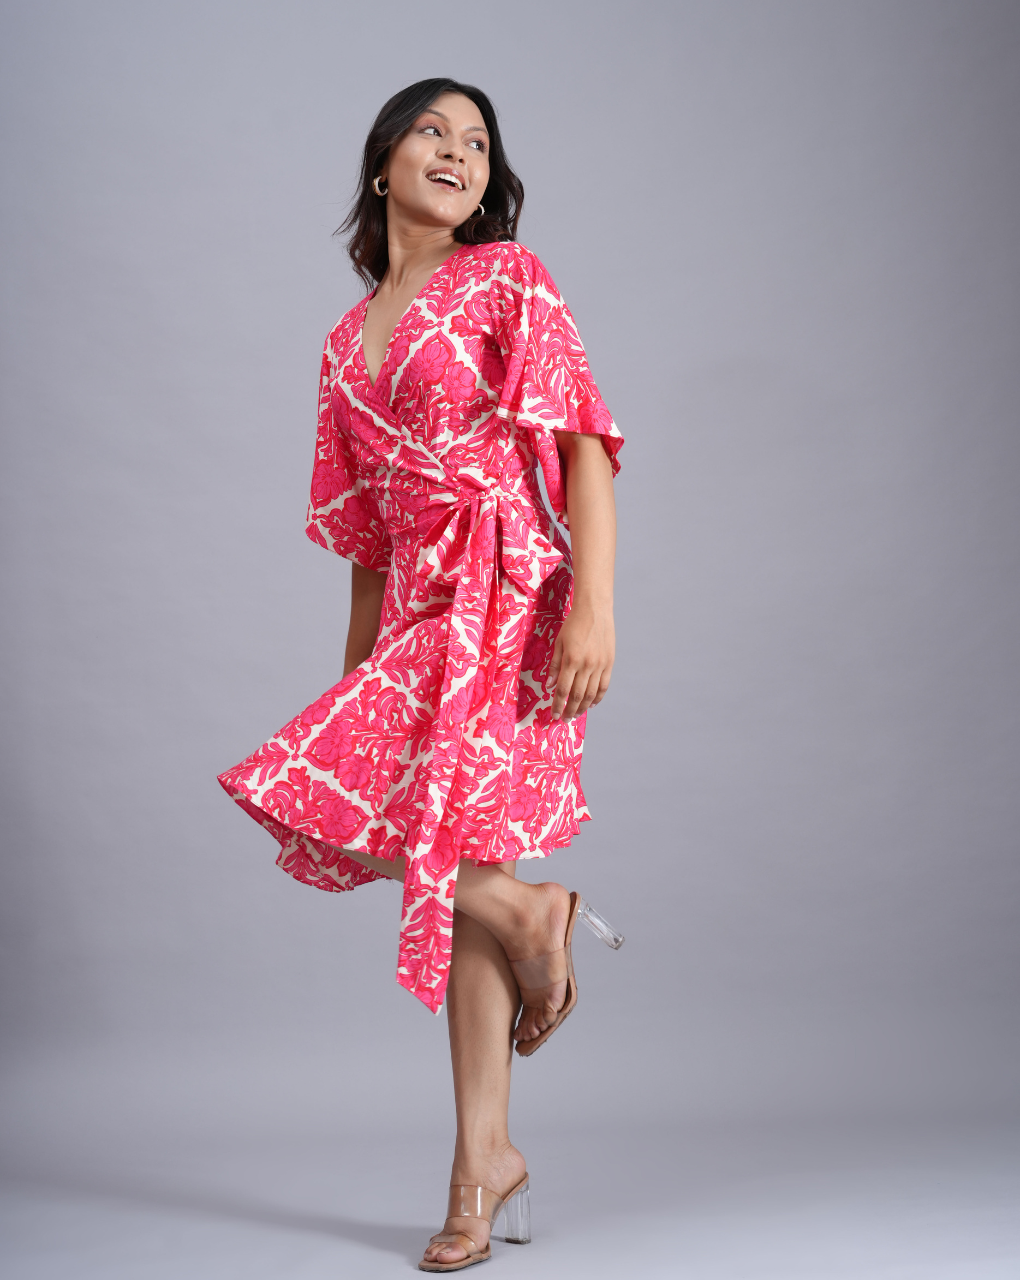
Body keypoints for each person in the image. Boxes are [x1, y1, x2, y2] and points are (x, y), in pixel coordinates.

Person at [218, 77, 624, 1272]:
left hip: (506, 587)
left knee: (454, 854)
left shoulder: (508, 278)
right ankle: (489, 1137)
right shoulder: (342, 347)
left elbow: (583, 445)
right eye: (434, 132)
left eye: (478, 142)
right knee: (440, 851)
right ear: (383, 159)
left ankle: (474, 1165)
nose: (458, 152)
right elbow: (364, 537)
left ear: (487, 180)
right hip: (413, 604)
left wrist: (594, 609)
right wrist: (355, 681)